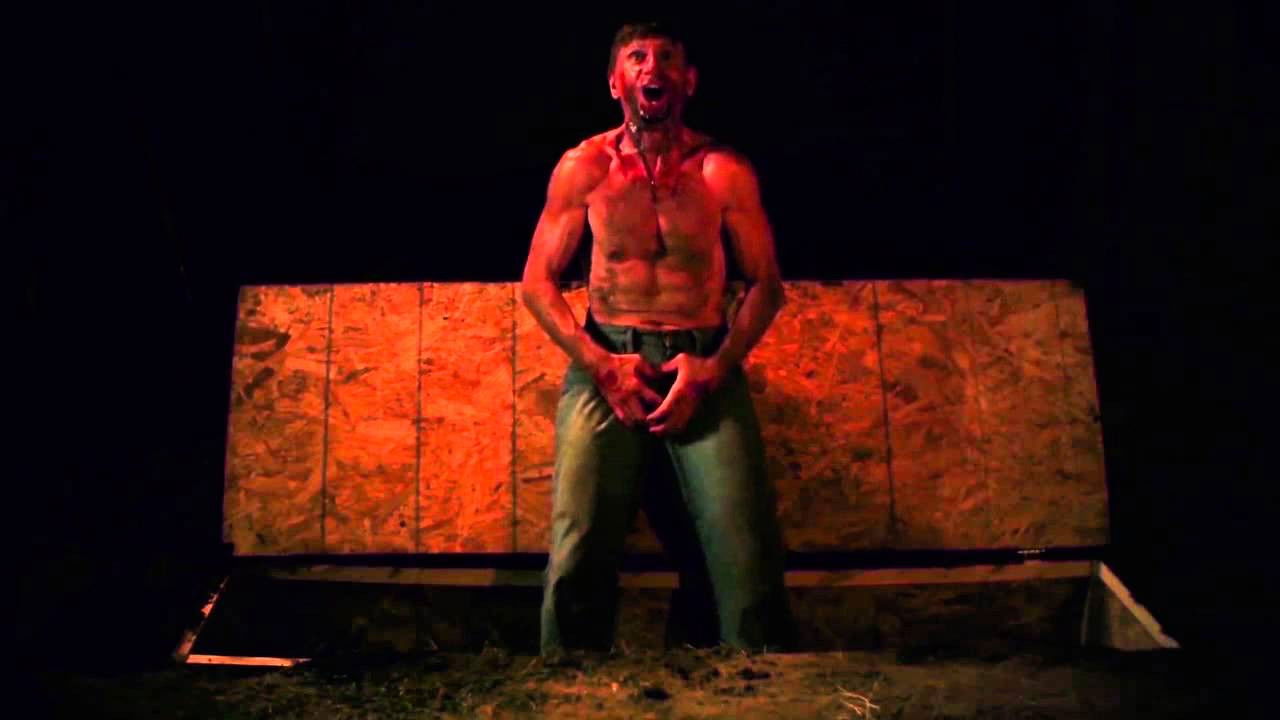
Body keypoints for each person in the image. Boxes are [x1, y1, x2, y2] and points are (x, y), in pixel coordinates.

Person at [521, 21, 795, 657]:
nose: (654, 68)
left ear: (688, 81)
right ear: (616, 82)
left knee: (745, 551)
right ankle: (566, 687)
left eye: (667, 58)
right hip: (607, 357)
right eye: (638, 57)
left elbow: (766, 286)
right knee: (578, 546)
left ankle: (762, 688)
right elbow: (536, 283)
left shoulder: (723, 171)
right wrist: (600, 364)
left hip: (700, 361)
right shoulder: (585, 168)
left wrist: (714, 369)